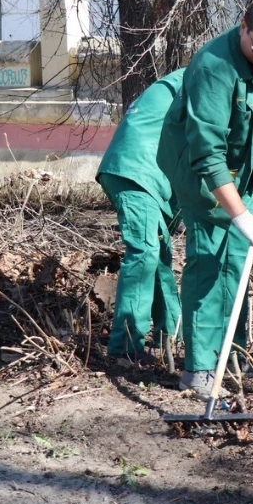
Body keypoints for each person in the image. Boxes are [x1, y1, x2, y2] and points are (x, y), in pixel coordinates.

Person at [157, 0, 253, 400]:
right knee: (210, 260)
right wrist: (240, 215)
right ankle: (199, 367)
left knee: (239, 258)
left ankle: (233, 355)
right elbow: (206, 155)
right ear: (242, 28)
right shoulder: (213, 68)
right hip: (202, 173)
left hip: (243, 165)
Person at [96, 69, 185, 361]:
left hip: (138, 172)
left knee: (159, 253)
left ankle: (170, 335)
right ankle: (124, 349)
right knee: (145, 252)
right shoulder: (205, 80)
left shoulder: (188, 79)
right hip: (137, 173)